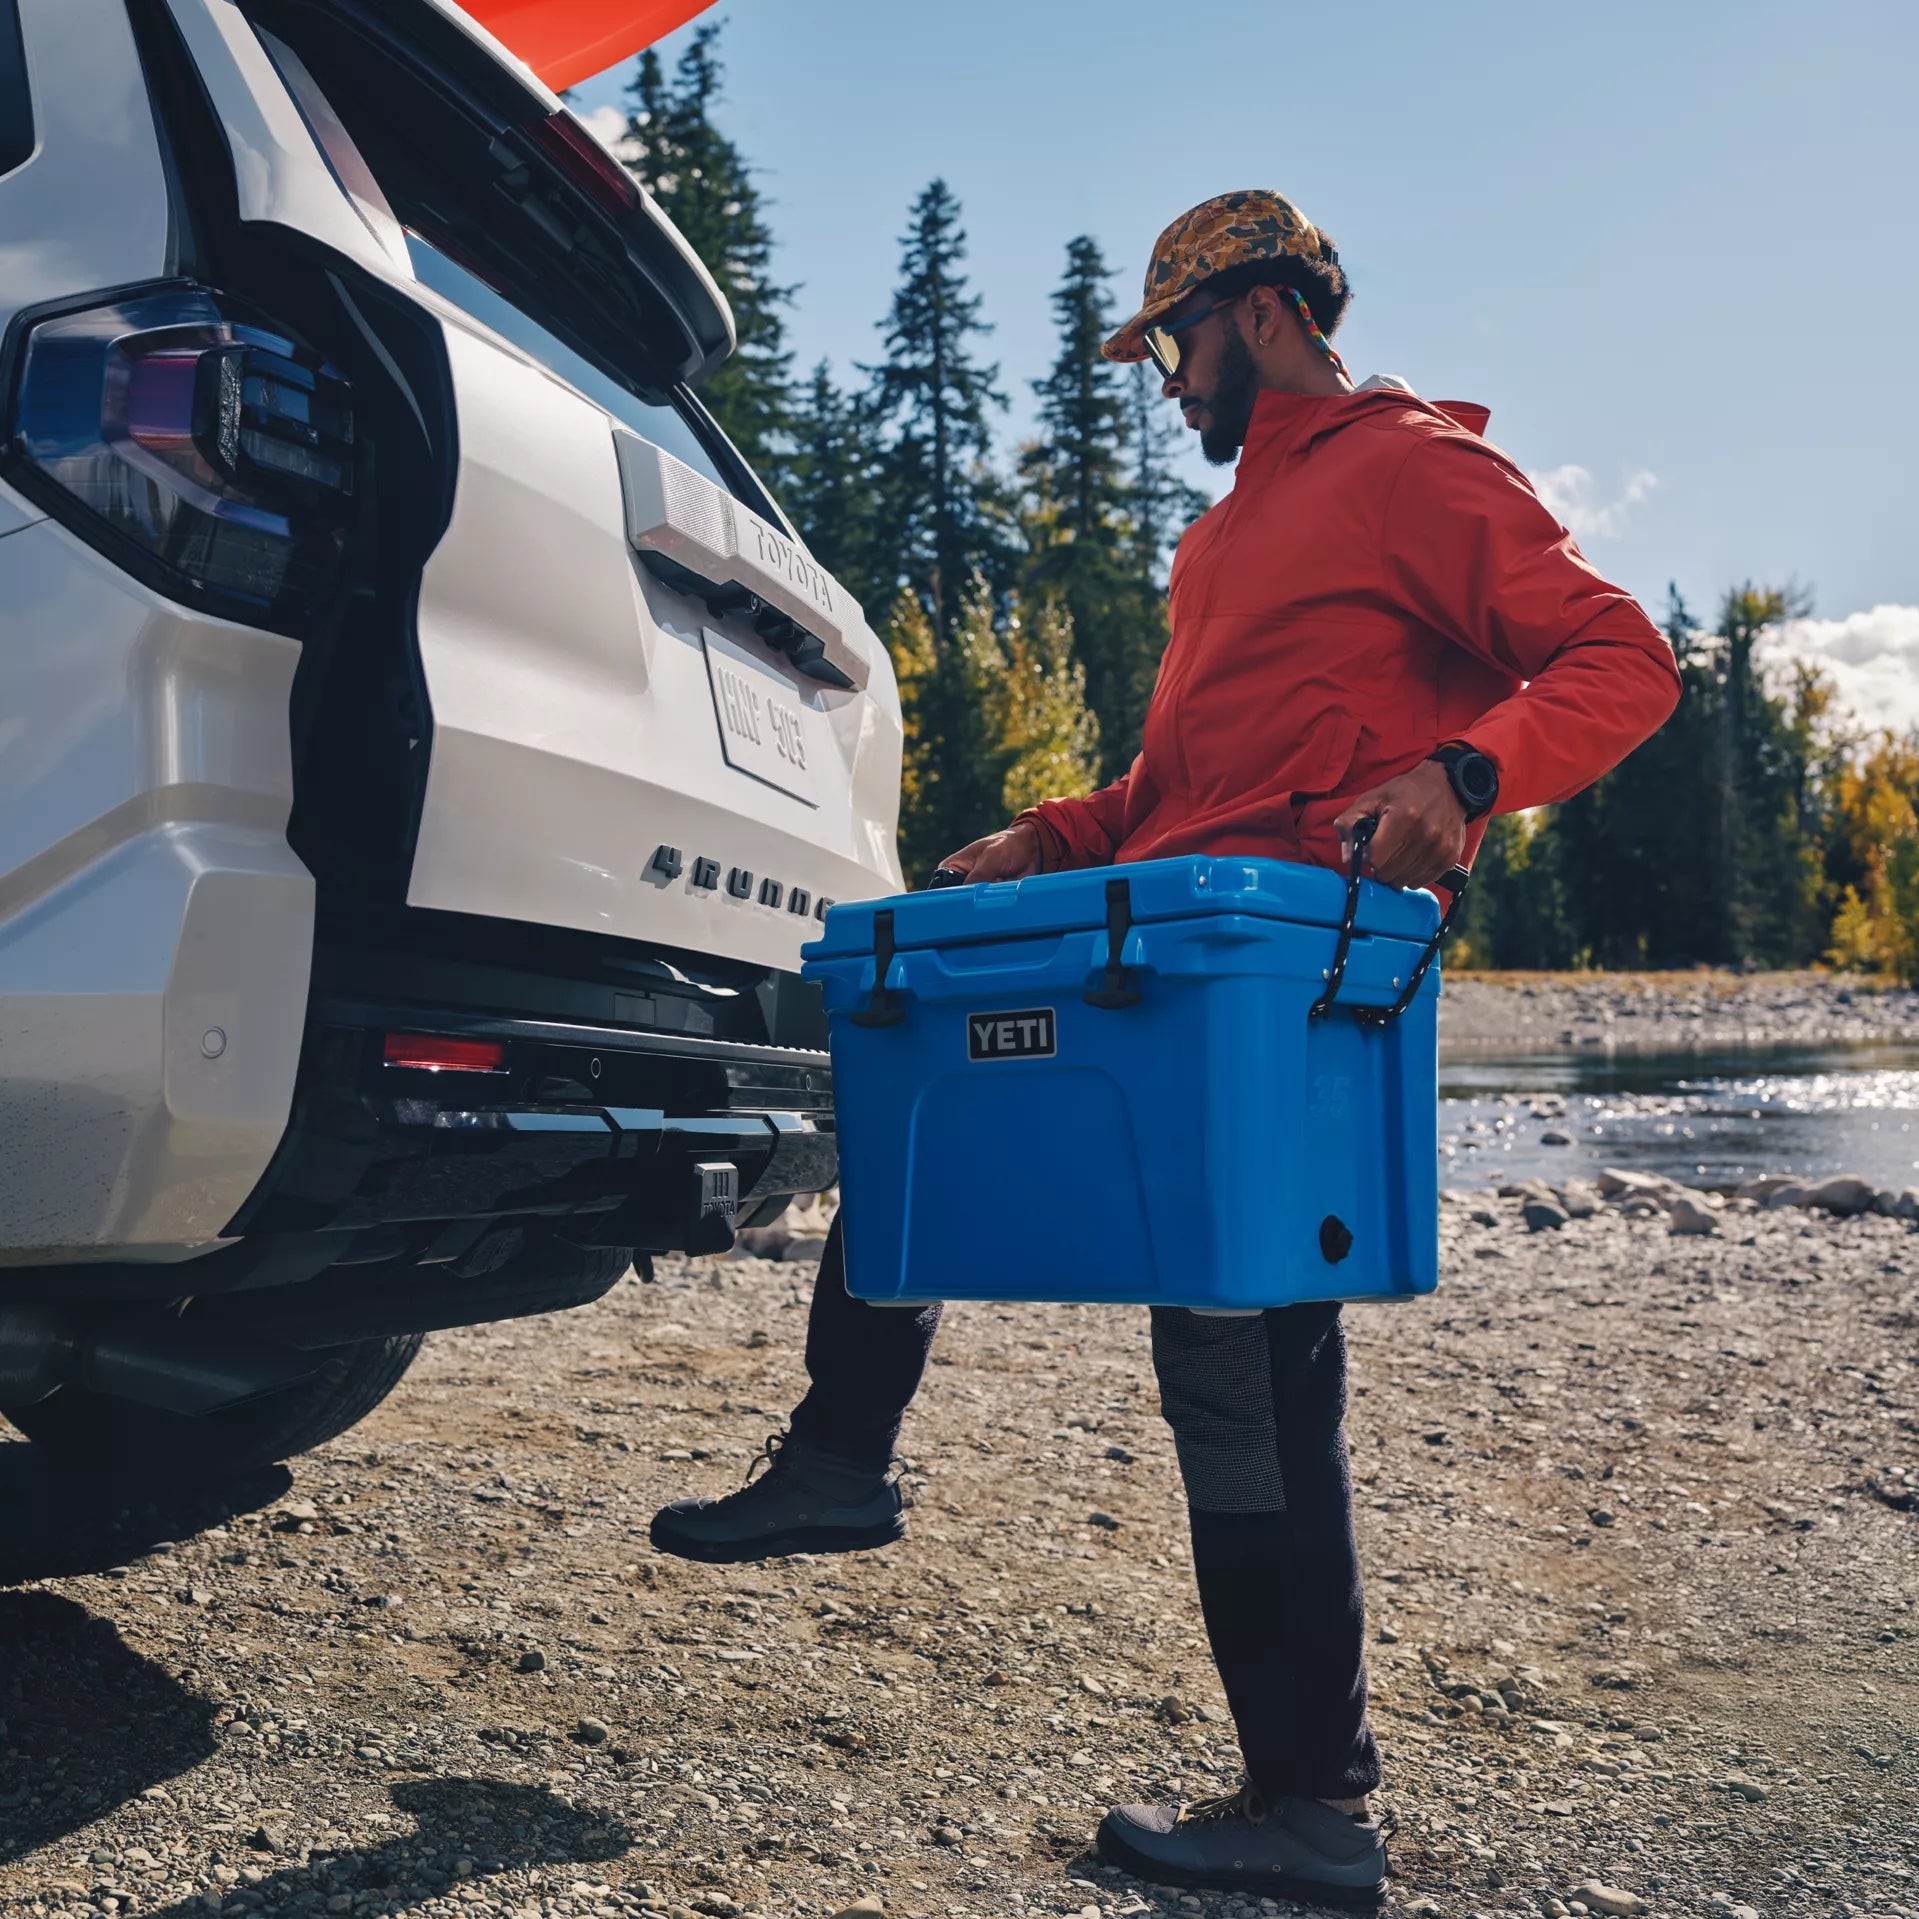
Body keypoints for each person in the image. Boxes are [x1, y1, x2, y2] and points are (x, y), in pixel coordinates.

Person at [650, 189, 1681, 1906]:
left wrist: (1467, 775)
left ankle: (1313, 1809)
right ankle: (838, 1463)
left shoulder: (1413, 468)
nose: (1170, 387)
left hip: (1274, 983)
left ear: (1264, 314)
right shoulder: (1224, 542)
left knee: (1242, 1371)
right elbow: (1173, 792)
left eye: (1179, 348)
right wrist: (1059, 831)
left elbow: (1620, 657)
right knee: (916, 1087)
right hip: (1171, 945)